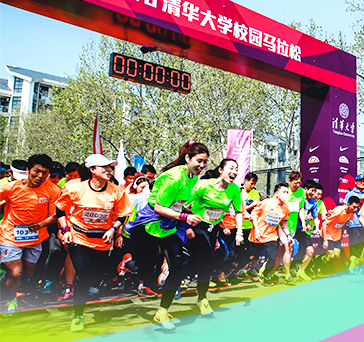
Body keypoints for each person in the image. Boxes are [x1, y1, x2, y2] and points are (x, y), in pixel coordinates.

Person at [126, 141, 208, 330]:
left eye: (205, 162)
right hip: (150, 225)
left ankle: (162, 312)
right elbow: (158, 207)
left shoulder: (193, 177)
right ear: (187, 158)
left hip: (169, 225)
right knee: (145, 268)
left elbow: (177, 203)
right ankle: (128, 263)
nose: (202, 165)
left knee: (177, 267)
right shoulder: (173, 178)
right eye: (199, 161)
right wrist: (185, 217)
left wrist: (187, 212)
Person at [56, 154, 131, 331]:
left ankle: (86, 290)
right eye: (104, 167)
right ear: (92, 169)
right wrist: (65, 230)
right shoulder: (76, 188)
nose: (108, 170)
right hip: (79, 237)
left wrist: (113, 230)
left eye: (110, 167)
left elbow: (123, 214)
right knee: (83, 274)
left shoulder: (116, 191)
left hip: (102, 240)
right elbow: (59, 210)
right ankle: (78, 316)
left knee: (95, 276)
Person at [0, 154, 60, 315]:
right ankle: (11, 301)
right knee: (16, 273)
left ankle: (6, 277)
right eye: (37, 171)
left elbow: (56, 215)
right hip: (10, 237)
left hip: (35, 238)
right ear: (28, 170)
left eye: (45, 173)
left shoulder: (52, 190)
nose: (40, 176)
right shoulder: (10, 188)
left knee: (28, 273)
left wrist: (41, 224)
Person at [186, 158, 243, 303]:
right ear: (221, 170)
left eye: (236, 169)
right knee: (208, 261)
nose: (234, 172)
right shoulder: (204, 185)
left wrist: (239, 233)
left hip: (213, 230)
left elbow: (238, 211)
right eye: (231, 168)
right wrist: (186, 223)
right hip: (197, 226)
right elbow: (185, 204)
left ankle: (201, 298)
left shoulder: (234, 189)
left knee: (204, 264)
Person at [248, 182, 291, 285]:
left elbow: (284, 223)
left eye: (287, 192)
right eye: (283, 192)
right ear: (277, 193)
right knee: (252, 256)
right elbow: (254, 215)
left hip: (271, 235)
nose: (286, 194)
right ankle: (246, 271)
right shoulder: (265, 203)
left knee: (273, 256)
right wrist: (256, 229)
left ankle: (266, 275)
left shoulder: (286, 208)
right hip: (258, 234)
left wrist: (288, 235)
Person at [323, 196, 361, 274]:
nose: (355, 209)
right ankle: (320, 262)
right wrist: (325, 240)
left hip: (337, 235)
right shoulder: (338, 211)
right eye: (354, 207)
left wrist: (342, 232)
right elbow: (324, 223)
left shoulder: (352, 213)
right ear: (348, 205)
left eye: (357, 207)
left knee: (337, 254)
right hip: (328, 234)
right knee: (331, 255)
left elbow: (345, 221)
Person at [344, 174, 364, 273]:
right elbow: (345, 208)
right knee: (355, 248)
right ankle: (354, 268)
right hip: (355, 224)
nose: (362, 182)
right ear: (355, 182)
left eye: (363, 181)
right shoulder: (350, 194)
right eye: (360, 181)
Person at [240, 173, 261, 278]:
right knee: (241, 250)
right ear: (246, 181)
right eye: (251, 183)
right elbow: (239, 209)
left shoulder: (255, 193)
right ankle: (238, 270)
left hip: (251, 226)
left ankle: (249, 269)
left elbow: (257, 209)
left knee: (253, 250)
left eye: (254, 184)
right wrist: (251, 205)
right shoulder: (239, 193)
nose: (252, 186)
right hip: (240, 226)